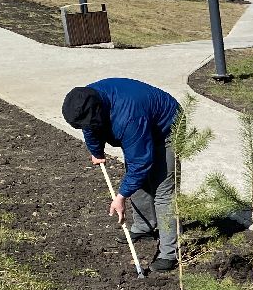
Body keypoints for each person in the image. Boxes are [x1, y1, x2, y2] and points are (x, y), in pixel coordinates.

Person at [62, 79, 181, 273]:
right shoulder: (86, 100)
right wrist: (96, 151)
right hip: (140, 120)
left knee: (163, 191)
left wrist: (121, 197)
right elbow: (89, 127)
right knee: (139, 184)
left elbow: (140, 163)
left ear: (99, 111)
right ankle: (144, 227)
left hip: (167, 127)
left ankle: (169, 252)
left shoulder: (128, 118)